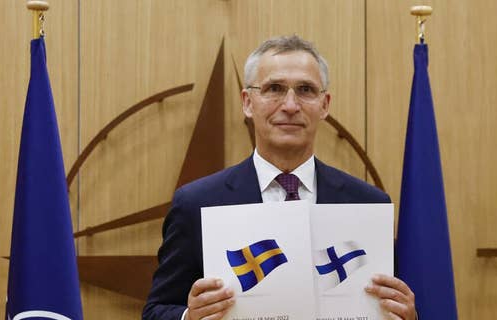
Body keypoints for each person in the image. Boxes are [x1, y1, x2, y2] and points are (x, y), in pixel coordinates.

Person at [142, 35, 417, 320]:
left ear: (324, 104)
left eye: (305, 90)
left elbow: (391, 305)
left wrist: (408, 315)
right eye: (274, 88)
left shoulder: (367, 205)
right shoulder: (197, 204)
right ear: (248, 102)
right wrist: (190, 317)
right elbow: (155, 312)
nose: (289, 105)